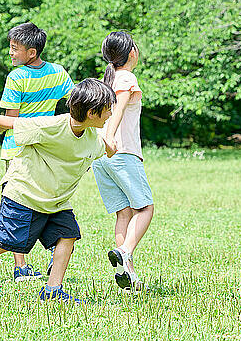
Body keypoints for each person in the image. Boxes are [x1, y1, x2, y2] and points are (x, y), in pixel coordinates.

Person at [0, 79, 117, 302]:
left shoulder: (91, 137)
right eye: (108, 109)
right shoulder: (51, 126)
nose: (110, 113)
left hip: (55, 201)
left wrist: (109, 146)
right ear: (91, 113)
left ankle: (52, 290)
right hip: (24, 195)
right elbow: (14, 123)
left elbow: (106, 149)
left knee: (68, 235)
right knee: (5, 241)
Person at [0, 22, 74, 281]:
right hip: (46, 148)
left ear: (31, 52)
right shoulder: (58, 72)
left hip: (17, 148)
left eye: (14, 49)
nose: (10, 53)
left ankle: (20, 265)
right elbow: (75, 101)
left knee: (15, 203)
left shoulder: (17, 77)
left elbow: (12, 118)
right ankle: (55, 250)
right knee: (47, 198)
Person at [91, 31, 154, 293]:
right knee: (146, 208)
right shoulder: (126, 77)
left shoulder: (106, 79)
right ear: (131, 53)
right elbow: (118, 110)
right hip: (121, 152)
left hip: (101, 158)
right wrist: (109, 137)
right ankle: (125, 251)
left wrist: (102, 141)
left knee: (124, 213)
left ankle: (127, 274)